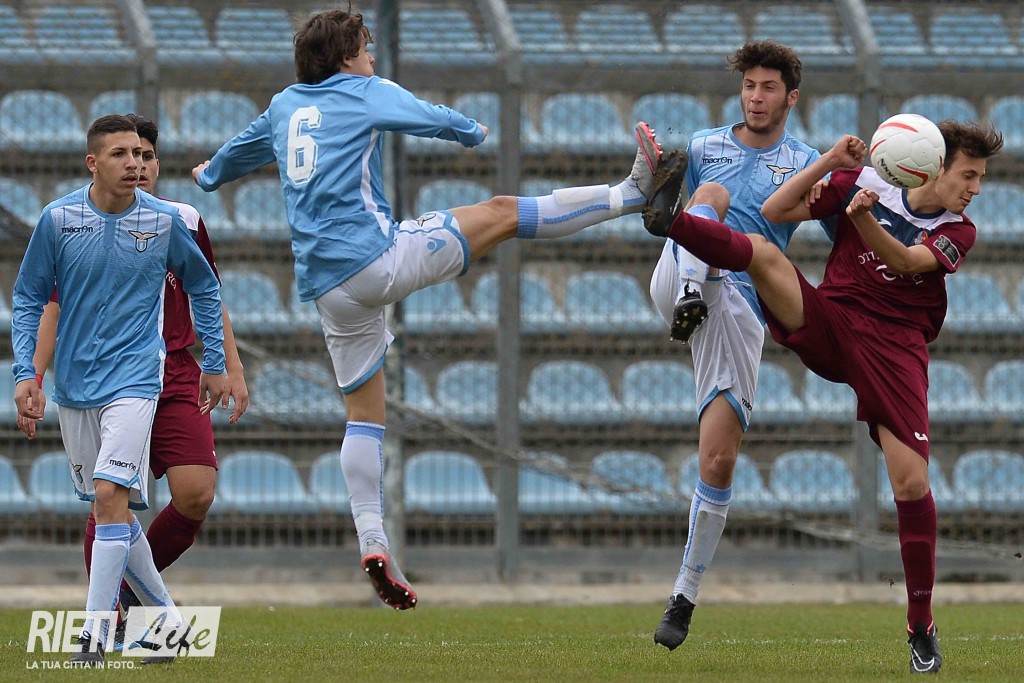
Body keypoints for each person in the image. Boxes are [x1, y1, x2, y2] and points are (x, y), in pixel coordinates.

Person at [189, 7, 677, 610]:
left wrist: (208, 175)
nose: (372, 56)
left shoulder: (284, 104)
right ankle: (630, 194)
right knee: (502, 213)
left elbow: (235, 154)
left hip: (325, 288)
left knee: (363, 415)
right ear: (345, 57)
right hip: (376, 260)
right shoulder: (364, 90)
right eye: (365, 47)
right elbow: (427, 117)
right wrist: (470, 130)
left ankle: (373, 542)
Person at [644, 121, 1004, 673]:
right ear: (932, 165)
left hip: (896, 349)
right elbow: (776, 209)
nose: (976, 188)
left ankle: (921, 625)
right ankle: (673, 223)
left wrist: (861, 218)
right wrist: (832, 161)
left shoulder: (959, 228)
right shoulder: (868, 182)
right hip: (834, 320)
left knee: (911, 484)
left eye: (979, 178)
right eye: (969, 175)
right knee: (762, 252)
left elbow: (908, 263)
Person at [17, 113, 249, 640]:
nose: (136, 164)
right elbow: (44, 302)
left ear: (157, 163)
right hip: (87, 375)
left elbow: (207, 290)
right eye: (123, 154)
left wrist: (225, 364)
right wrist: (30, 373)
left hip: (164, 371)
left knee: (182, 492)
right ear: (95, 162)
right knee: (109, 500)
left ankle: (102, 622)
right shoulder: (66, 221)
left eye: (144, 155)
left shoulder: (177, 220)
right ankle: (153, 616)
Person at [647, 41, 823, 649]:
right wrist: (648, 176)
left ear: (791, 97)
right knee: (712, 199)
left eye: (768, 87)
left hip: (740, 307)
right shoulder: (703, 148)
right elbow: (664, 199)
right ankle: (691, 292)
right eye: (749, 85)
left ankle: (683, 597)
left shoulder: (803, 163)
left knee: (719, 461)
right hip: (681, 277)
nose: (755, 96)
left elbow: (839, 225)